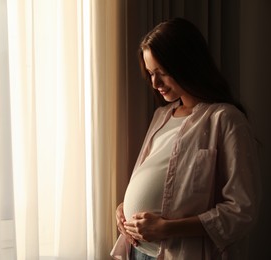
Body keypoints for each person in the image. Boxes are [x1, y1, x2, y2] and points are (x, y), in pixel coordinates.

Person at [110, 17, 261, 260]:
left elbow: (241, 210)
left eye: (162, 73)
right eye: (150, 74)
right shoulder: (162, 116)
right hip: (138, 250)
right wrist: (124, 210)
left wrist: (166, 228)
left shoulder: (225, 119)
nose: (154, 83)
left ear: (188, 64)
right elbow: (154, 175)